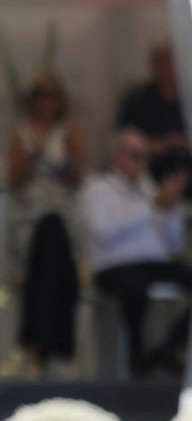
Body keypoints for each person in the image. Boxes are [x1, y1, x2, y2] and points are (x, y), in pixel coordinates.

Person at [79, 128, 192, 377]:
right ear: (118, 157)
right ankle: (138, 359)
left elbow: (173, 245)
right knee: (135, 288)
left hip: (155, 263)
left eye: (146, 156)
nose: (142, 162)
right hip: (113, 266)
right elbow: (105, 233)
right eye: (136, 155)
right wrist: (152, 208)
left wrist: (170, 210)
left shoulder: (151, 190)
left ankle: (166, 349)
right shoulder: (97, 189)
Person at [7, 72, 84, 372]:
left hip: (61, 215)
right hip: (29, 217)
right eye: (40, 95)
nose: (45, 101)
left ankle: (61, 349)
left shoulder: (70, 132)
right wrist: (35, 153)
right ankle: (34, 349)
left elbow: (77, 177)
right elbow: (14, 179)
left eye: (51, 95)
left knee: (61, 280)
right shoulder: (21, 134)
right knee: (34, 283)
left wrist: (63, 163)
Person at [117, 42, 192, 182]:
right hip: (146, 182)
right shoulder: (136, 102)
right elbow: (120, 143)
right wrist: (163, 144)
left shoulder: (188, 100)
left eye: (170, 61)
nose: (166, 68)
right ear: (151, 65)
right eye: (160, 61)